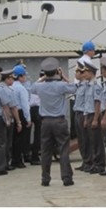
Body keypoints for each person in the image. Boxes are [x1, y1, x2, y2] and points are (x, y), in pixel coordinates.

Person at [30, 57, 76, 186]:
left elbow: (32, 87)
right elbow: (74, 88)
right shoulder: (61, 85)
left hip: (45, 122)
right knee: (63, 149)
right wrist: (64, 76)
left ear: (45, 72)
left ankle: (45, 179)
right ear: (56, 71)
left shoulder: (40, 87)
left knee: (45, 151)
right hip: (59, 121)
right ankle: (66, 178)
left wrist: (43, 77)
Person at [82, 61, 106, 174]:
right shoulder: (87, 86)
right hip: (89, 114)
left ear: (91, 73)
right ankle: (94, 163)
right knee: (92, 141)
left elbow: (97, 103)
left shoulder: (96, 86)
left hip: (94, 115)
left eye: (85, 72)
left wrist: (96, 119)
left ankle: (100, 164)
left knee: (97, 142)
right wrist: (86, 118)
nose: (83, 74)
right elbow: (87, 104)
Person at [0, 69, 22, 170]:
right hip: (7, 119)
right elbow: (13, 108)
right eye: (12, 78)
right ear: (7, 79)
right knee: (7, 143)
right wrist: (18, 122)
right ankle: (6, 164)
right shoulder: (9, 91)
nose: (13, 80)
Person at [11, 65, 32, 168]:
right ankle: (18, 161)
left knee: (13, 138)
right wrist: (28, 119)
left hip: (11, 114)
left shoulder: (10, 86)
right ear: (20, 76)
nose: (25, 77)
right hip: (20, 113)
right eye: (24, 75)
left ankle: (13, 159)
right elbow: (25, 105)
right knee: (21, 139)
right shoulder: (21, 88)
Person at [73, 62, 91, 172]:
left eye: (77, 72)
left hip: (83, 114)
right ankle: (85, 161)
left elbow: (86, 102)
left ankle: (89, 161)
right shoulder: (79, 85)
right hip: (77, 113)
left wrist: (85, 117)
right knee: (80, 140)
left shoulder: (86, 86)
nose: (75, 74)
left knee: (85, 140)